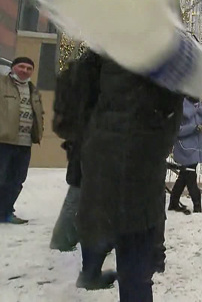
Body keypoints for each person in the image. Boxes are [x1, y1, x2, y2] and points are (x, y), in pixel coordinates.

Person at [70, 49, 183, 301]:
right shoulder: (107, 54)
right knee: (133, 257)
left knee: (131, 250)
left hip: (128, 165)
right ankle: (96, 268)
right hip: (124, 165)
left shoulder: (108, 52)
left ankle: (96, 267)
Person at [50, 52, 117, 290]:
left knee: (81, 190)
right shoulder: (99, 67)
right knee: (82, 193)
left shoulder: (84, 65)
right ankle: (64, 240)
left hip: (85, 139)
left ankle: (69, 242)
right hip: (94, 140)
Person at [0, 56, 43, 224]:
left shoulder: (33, 90)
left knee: (16, 180)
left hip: (24, 143)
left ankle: (6, 212)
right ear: (13, 68)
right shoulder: (2, 85)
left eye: (28, 68)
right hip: (3, 141)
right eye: (21, 67)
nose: (24, 70)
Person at [168, 96, 202, 214]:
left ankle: (173, 203)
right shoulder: (180, 108)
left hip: (198, 149)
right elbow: (177, 130)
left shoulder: (201, 109)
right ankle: (197, 206)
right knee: (190, 177)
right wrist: (193, 128)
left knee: (184, 176)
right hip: (186, 150)